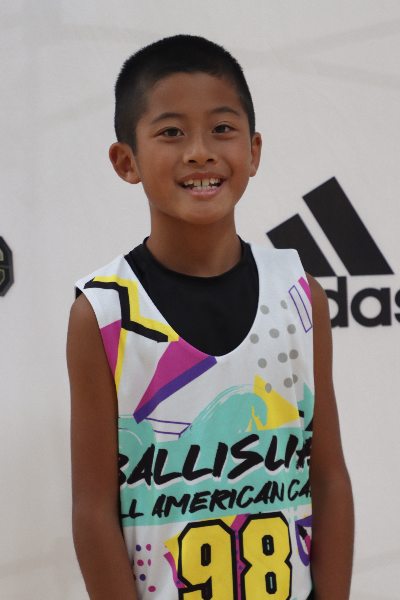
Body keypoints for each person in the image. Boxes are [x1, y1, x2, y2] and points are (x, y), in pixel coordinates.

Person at [67, 35, 354, 600]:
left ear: (254, 150)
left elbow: (328, 479)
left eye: (222, 128)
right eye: (171, 132)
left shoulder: (301, 295)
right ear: (127, 161)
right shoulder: (102, 313)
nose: (199, 152)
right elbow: (94, 511)